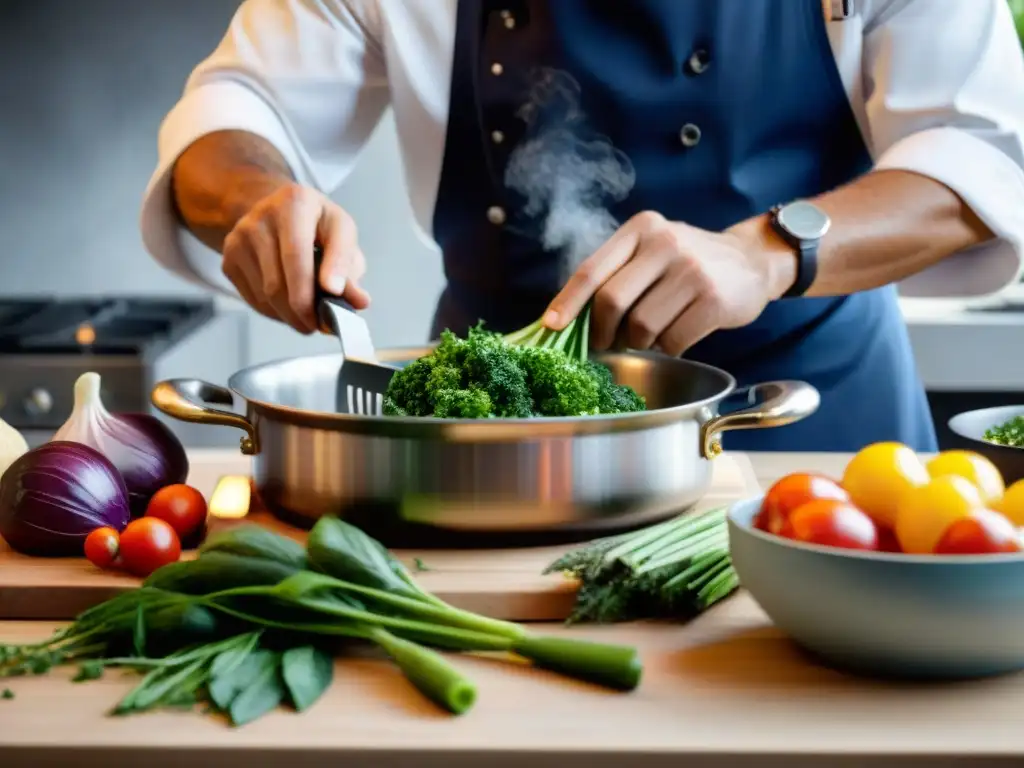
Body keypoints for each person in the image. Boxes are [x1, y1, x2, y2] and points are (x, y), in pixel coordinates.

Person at [141, 0, 1024, 452]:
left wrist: (772, 251)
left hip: (812, 411)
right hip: (496, 432)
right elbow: (237, 106)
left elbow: (984, 154)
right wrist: (257, 199)